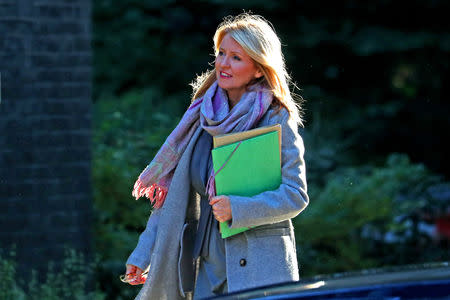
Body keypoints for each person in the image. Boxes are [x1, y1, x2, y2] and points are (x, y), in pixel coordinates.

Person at [123, 13, 309, 300]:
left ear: (259, 69)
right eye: (221, 53)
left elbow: (295, 195)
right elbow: (172, 198)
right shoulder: (202, 117)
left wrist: (238, 208)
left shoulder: (276, 118)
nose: (223, 63)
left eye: (236, 57)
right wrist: (143, 251)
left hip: (259, 269)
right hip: (205, 267)